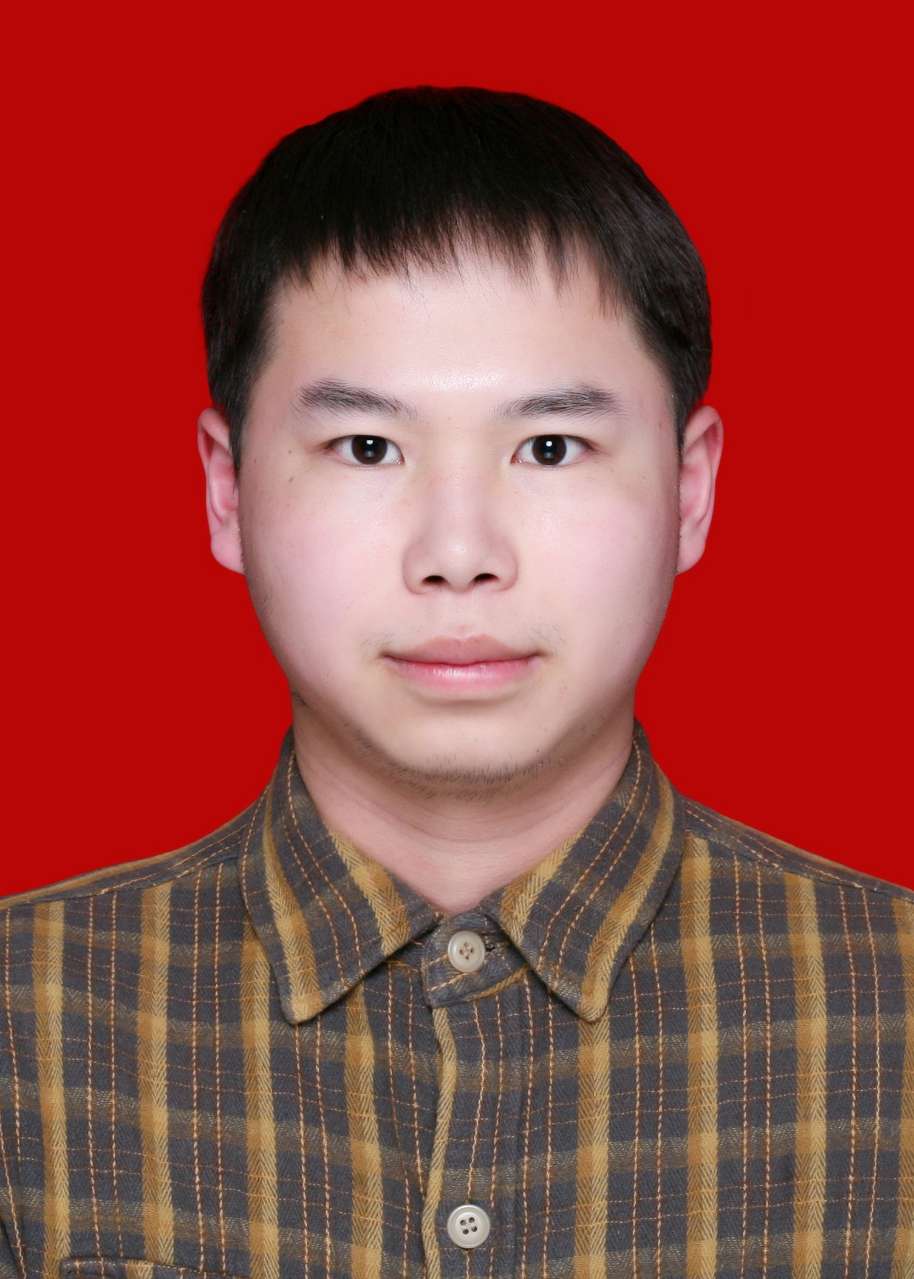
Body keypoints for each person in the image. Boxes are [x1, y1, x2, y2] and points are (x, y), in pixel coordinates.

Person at [1, 84, 912, 1279]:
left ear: (689, 490)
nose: (459, 552)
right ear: (227, 491)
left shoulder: (891, 1014)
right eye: (366, 446)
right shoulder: (28, 1025)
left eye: (549, 447)